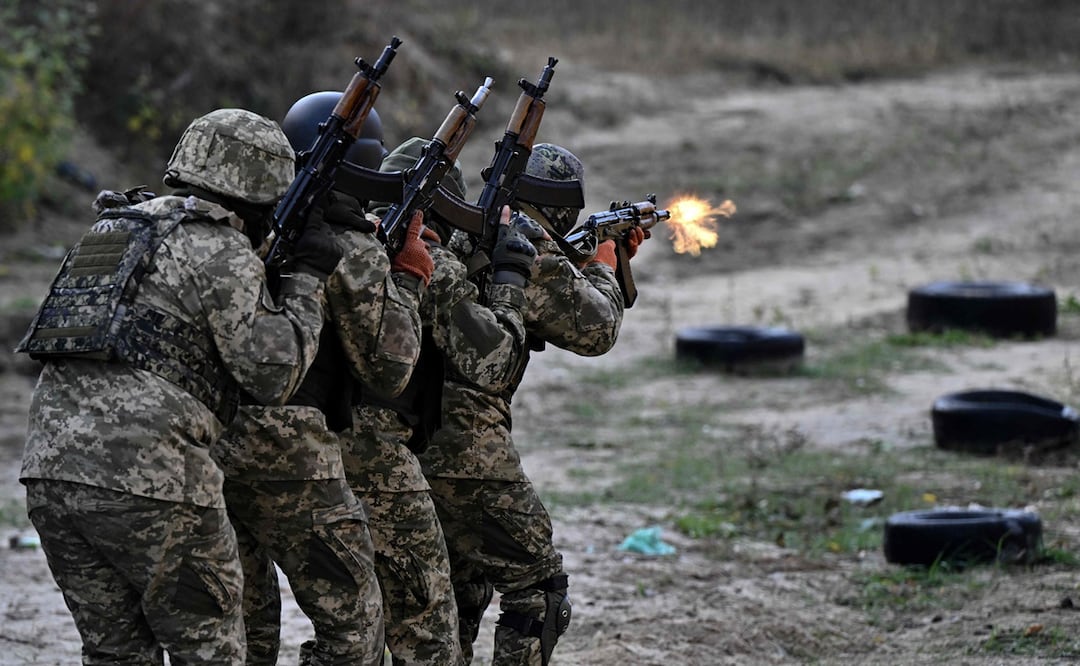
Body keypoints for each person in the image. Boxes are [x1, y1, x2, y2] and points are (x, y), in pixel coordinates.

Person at [16, 108, 339, 664]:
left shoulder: (113, 230)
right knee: (209, 651)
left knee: (115, 654)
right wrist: (306, 283)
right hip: (154, 483)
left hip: (51, 473)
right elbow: (272, 374)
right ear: (261, 192)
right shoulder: (220, 249)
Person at [212, 96, 433, 666]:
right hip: (295, 460)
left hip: (212, 449)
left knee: (243, 631)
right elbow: (389, 370)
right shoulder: (351, 247)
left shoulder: (232, 227)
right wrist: (407, 280)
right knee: (354, 626)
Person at [419, 143, 647, 665]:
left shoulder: (475, 228)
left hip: (416, 437)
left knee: (461, 586)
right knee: (539, 590)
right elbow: (596, 329)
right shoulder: (526, 242)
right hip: (467, 447)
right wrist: (603, 265)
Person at [345, 136, 539, 665]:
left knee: (354, 630)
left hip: (320, 458)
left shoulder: (347, 242)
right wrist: (508, 278)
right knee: (432, 636)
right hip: (382, 464)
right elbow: (494, 361)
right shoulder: (430, 258)